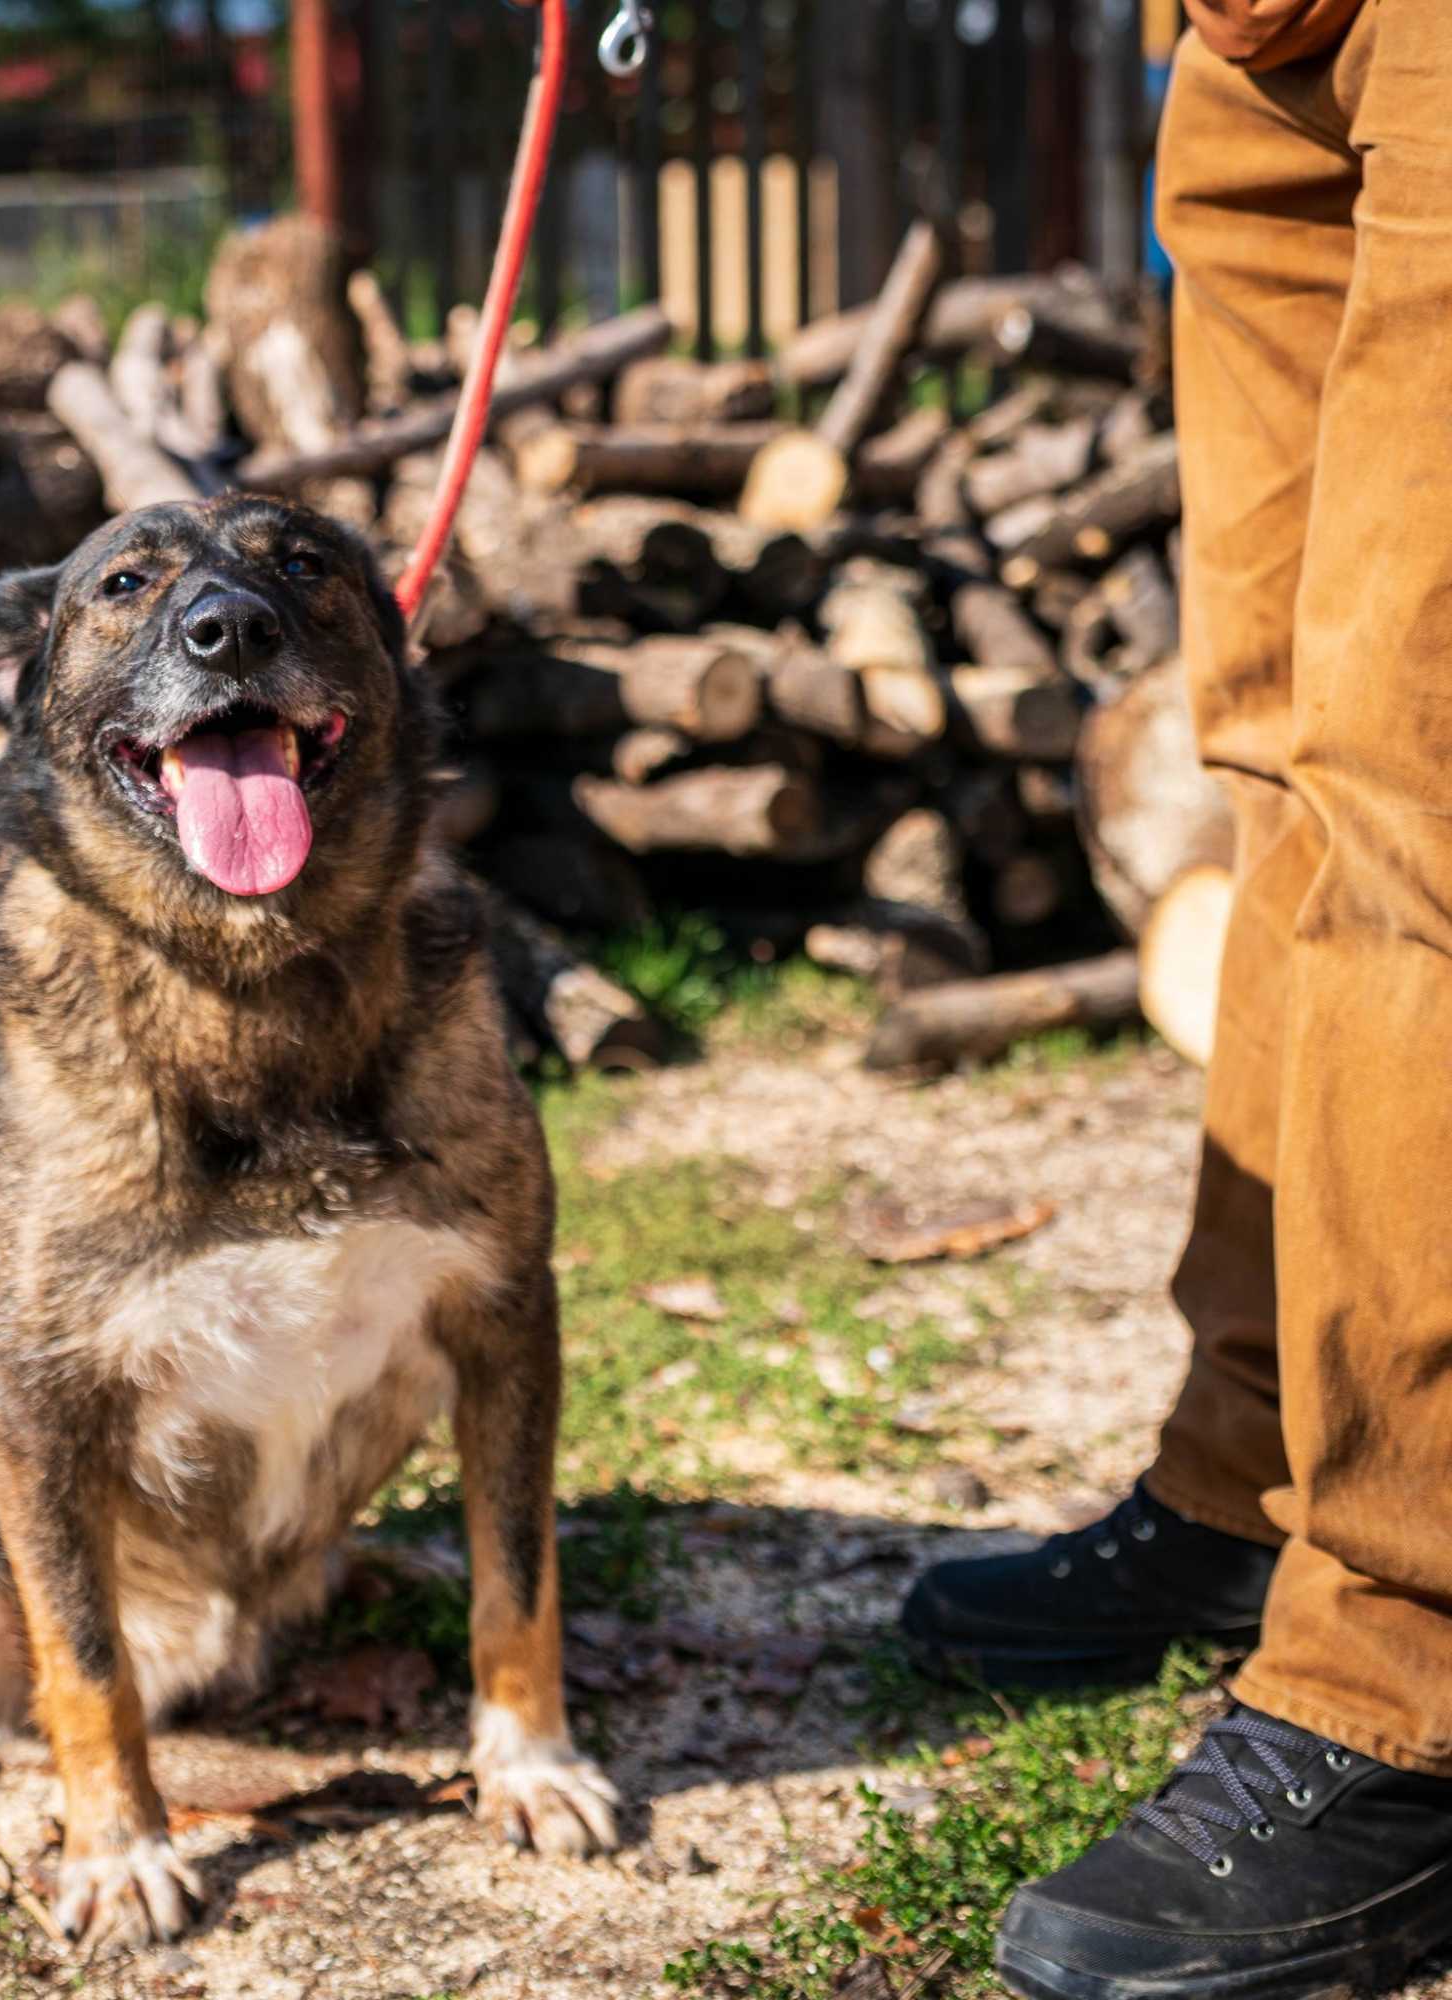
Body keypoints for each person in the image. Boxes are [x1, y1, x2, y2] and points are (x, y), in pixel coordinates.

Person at [901, 3, 1452, 1994]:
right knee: (1284, 755)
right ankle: (1262, 1463)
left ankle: (1410, 1654)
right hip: (1246, 31)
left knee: (1423, 779)